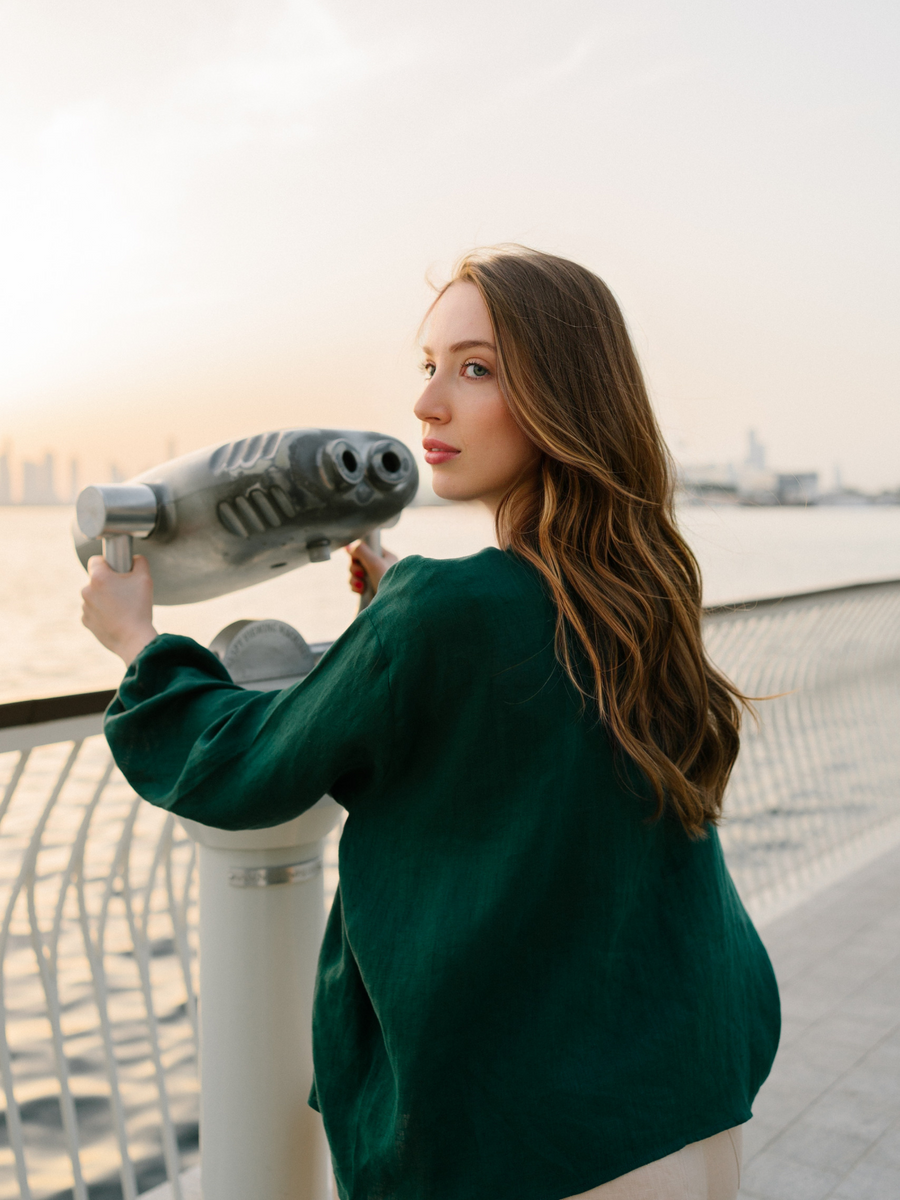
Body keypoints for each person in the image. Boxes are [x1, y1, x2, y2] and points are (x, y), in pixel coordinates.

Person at [81, 246, 779, 1200]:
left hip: (536, 1145)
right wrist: (393, 611)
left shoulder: (443, 613)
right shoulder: (638, 591)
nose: (427, 405)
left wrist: (138, 645)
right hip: (687, 1100)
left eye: (476, 368)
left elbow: (238, 767)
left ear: (564, 396)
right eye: (429, 366)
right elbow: (524, 720)